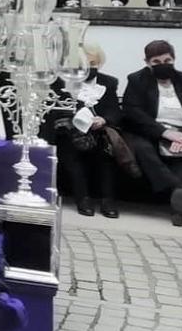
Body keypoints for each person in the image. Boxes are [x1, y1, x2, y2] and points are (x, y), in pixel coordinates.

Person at [120, 39, 182, 226]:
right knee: (143, 149)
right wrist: (165, 133)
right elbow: (134, 113)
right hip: (151, 131)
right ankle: (180, 191)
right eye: (156, 63)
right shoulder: (137, 80)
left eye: (167, 61)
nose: (163, 66)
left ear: (174, 59)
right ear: (147, 63)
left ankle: (179, 208)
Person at [43, 42, 125, 217]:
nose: (89, 68)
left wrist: (103, 119)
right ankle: (83, 198)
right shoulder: (62, 82)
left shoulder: (108, 82)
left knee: (106, 157)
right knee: (73, 156)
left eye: (93, 64)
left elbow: (114, 110)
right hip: (71, 132)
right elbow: (56, 110)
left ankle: (107, 199)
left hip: (99, 132)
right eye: (85, 64)